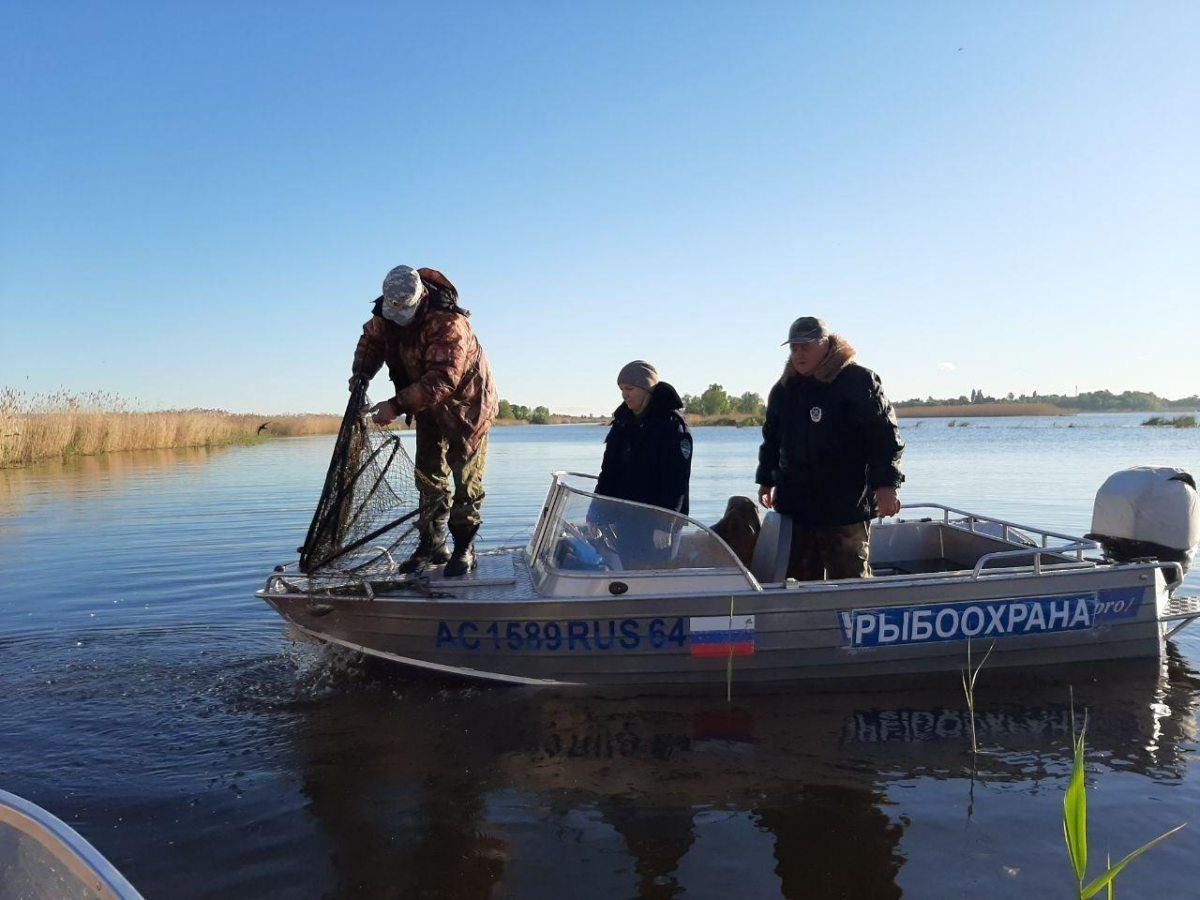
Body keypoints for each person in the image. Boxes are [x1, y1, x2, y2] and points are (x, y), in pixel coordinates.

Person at [350, 265, 498, 576]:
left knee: (466, 480)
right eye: (394, 307)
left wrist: (395, 405)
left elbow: (443, 380)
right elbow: (371, 342)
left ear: (420, 298)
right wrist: (361, 374)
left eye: (405, 307)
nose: (398, 313)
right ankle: (432, 544)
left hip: (468, 408)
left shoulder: (450, 323)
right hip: (427, 405)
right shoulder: (386, 314)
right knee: (428, 475)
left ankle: (463, 547)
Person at [755, 316, 904, 580]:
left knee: (850, 583)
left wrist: (886, 486)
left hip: (845, 507)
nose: (799, 354)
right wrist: (766, 480)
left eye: (806, 347)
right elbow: (772, 440)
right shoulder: (784, 389)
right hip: (797, 507)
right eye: (794, 348)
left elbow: (884, 437)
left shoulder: (858, 381)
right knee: (797, 584)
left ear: (825, 344)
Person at [592, 361, 693, 568]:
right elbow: (608, 473)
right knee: (630, 573)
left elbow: (676, 480)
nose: (624, 395)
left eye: (629, 389)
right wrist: (596, 512)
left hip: (660, 522)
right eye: (621, 389)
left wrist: (665, 524)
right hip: (627, 517)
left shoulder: (672, 426)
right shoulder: (622, 424)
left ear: (646, 389)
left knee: (654, 576)